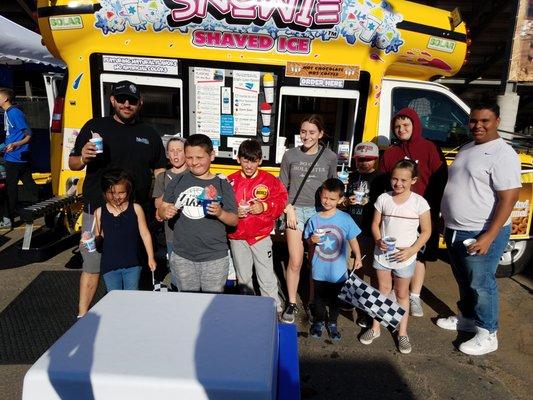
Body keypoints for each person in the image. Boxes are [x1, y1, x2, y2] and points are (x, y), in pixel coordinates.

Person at [69, 80, 166, 317]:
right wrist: (82, 157)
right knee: (92, 263)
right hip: (95, 210)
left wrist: (160, 201)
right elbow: (72, 163)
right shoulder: (95, 127)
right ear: (112, 100)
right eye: (121, 99)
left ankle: (130, 314)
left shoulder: (149, 134)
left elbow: (160, 171)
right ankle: (82, 315)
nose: (126, 104)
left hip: (134, 213)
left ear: (139, 103)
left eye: (132, 100)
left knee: (133, 263)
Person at [438, 103, 521, 356]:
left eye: (485, 120)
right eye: (473, 121)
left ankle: (488, 332)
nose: (478, 126)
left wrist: (489, 235)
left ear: (497, 120)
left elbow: (509, 198)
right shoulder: (467, 148)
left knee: (482, 284)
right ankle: (468, 318)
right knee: (464, 280)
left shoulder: (503, 154)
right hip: (456, 229)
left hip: (480, 231)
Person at [359, 159, 431, 354]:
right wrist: (378, 239)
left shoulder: (420, 203)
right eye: (395, 179)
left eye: (404, 180)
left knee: (401, 294)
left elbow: (426, 231)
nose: (398, 184)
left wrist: (411, 250)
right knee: (381, 291)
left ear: (414, 180)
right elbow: (375, 224)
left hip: (405, 257)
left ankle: (402, 333)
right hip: (383, 254)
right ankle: (375, 328)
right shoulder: (383, 198)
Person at [380, 107, 446, 317]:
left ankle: (414, 296)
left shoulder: (429, 147)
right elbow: (383, 181)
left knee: (419, 255)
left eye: (406, 125)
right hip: (396, 213)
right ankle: (393, 295)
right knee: (393, 251)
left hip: (423, 211)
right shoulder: (391, 152)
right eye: (397, 126)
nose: (401, 129)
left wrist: (433, 208)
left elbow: (440, 179)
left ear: (415, 125)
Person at [158, 134, 238, 293]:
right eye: (189, 157)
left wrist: (220, 213)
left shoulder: (222, 184)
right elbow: (162, 208)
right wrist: (165, 211)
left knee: (211, 305)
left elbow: (234, 220)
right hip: (182, 256)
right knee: (188, 303)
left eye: (199, 157)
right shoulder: (178, 181)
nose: (194, 162)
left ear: (212, 156)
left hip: (215, 257)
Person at [279, 114, 338, 324]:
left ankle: (313, 302)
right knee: (295, 261)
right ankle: (292, 302)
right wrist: (288, 209)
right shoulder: (290, 155)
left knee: (315, 262)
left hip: (318, 214)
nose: (307, 136)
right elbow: (281, 187)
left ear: (321, 134)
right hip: (295, 213)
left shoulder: (330, 157)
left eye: (312, 132)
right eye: (303, 131)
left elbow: (333, 187)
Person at [227, 139, 287, 312]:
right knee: (243, 278)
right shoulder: (229, 181)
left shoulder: (269, 180)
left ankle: (272, 308)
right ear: (238, 159)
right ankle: (247, 310)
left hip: (260, 237)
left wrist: (264, 206)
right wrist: (233, 212)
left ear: (260, 160)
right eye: (245, 160)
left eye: (253, 160)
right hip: (237, 237)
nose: (249, 165)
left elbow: (281, 199)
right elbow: (222, 206)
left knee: (266, 276)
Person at [305, 178, 362, 341]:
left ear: (341, 199)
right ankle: (318, 321)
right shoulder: (314, 219)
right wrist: (311, 241)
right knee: (319, 299)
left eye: (332, 199)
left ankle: (332, 323)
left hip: (338, 270)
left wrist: (357, 256)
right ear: (320, 196)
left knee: (337, 299)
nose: (327, 201)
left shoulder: (345, 218)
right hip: (319, 268)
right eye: (324, 197)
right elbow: (308, 241)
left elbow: (353, 239)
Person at [93, 168, 156, 291]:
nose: (116, 197)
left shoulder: (136, 209)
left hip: (133, 264)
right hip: (109, 265)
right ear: (105, 192)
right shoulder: (99, 212)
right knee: (113, 298)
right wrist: (91, 241)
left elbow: (145, 234)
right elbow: (98, 238)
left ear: (128, 191)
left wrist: (151, 257)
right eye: (111, 193)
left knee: (132, 297)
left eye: (121, 193)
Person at [346, 141, 387, 328]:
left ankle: (371, 311)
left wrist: (369, 203)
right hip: (351, 231)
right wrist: (347, 200)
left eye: (369, 159)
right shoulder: (351, 176)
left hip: (370, 232)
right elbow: (342, 199)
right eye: (360, 159)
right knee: (355, 271)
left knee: (372, 274)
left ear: (376, 159)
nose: (364, 163)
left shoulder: (381, 178)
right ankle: (359, 307)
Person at [0, 87, 39, 228]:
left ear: (5, 99)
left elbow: (28, 133)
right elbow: (12, 134)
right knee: (29, 185)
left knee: (11, 189)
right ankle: (42, 208)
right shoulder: (7, 112)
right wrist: (5, 145)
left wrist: (16, 144)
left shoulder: (14, 113)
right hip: (14, 156)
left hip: (15, 158)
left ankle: (8, 219)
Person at [153, 136, 187, 289]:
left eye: (179, 150)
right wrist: (163, 210)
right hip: (172, 234)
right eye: (172, 151)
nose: (175, 154)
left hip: (194, 235)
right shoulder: (162, 177)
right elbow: (158, 205)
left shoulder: (194, 175)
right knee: (176, 274)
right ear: (167, 154)